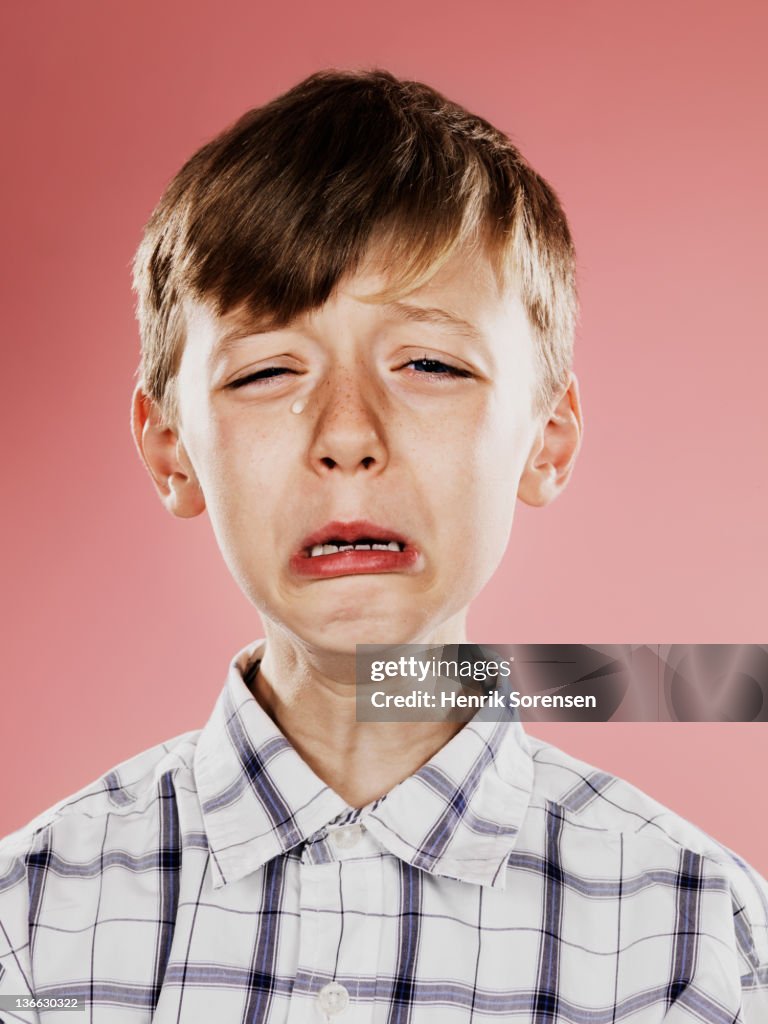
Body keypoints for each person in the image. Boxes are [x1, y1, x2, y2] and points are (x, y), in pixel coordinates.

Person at [0, 68, 765, 1024]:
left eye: (431, 364)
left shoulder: (698, 940)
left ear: (547, 436)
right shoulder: (29, 929)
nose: (348, 434)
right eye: (268, 370)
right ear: (170, 451)